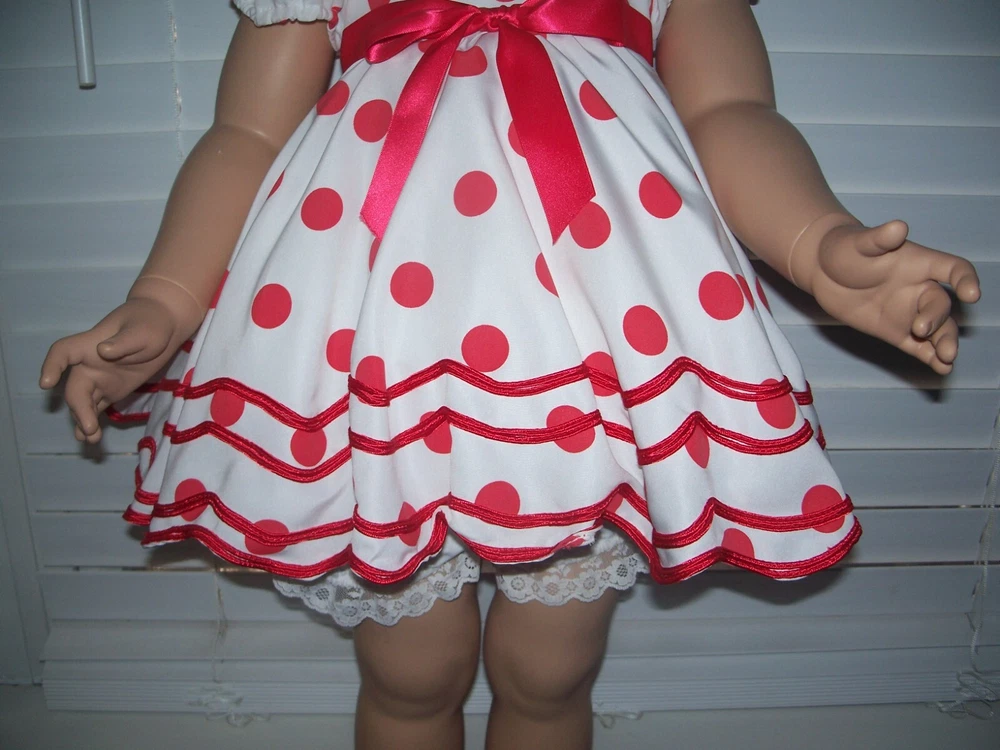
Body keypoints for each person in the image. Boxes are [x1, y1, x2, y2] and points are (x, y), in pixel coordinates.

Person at [38, 1, 981, 748]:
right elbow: (246, 136)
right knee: (411, 676)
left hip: (593, 345)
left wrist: (820, 244)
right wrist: (163, 301)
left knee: (551, 672)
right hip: (372, 345)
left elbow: (730, 113)